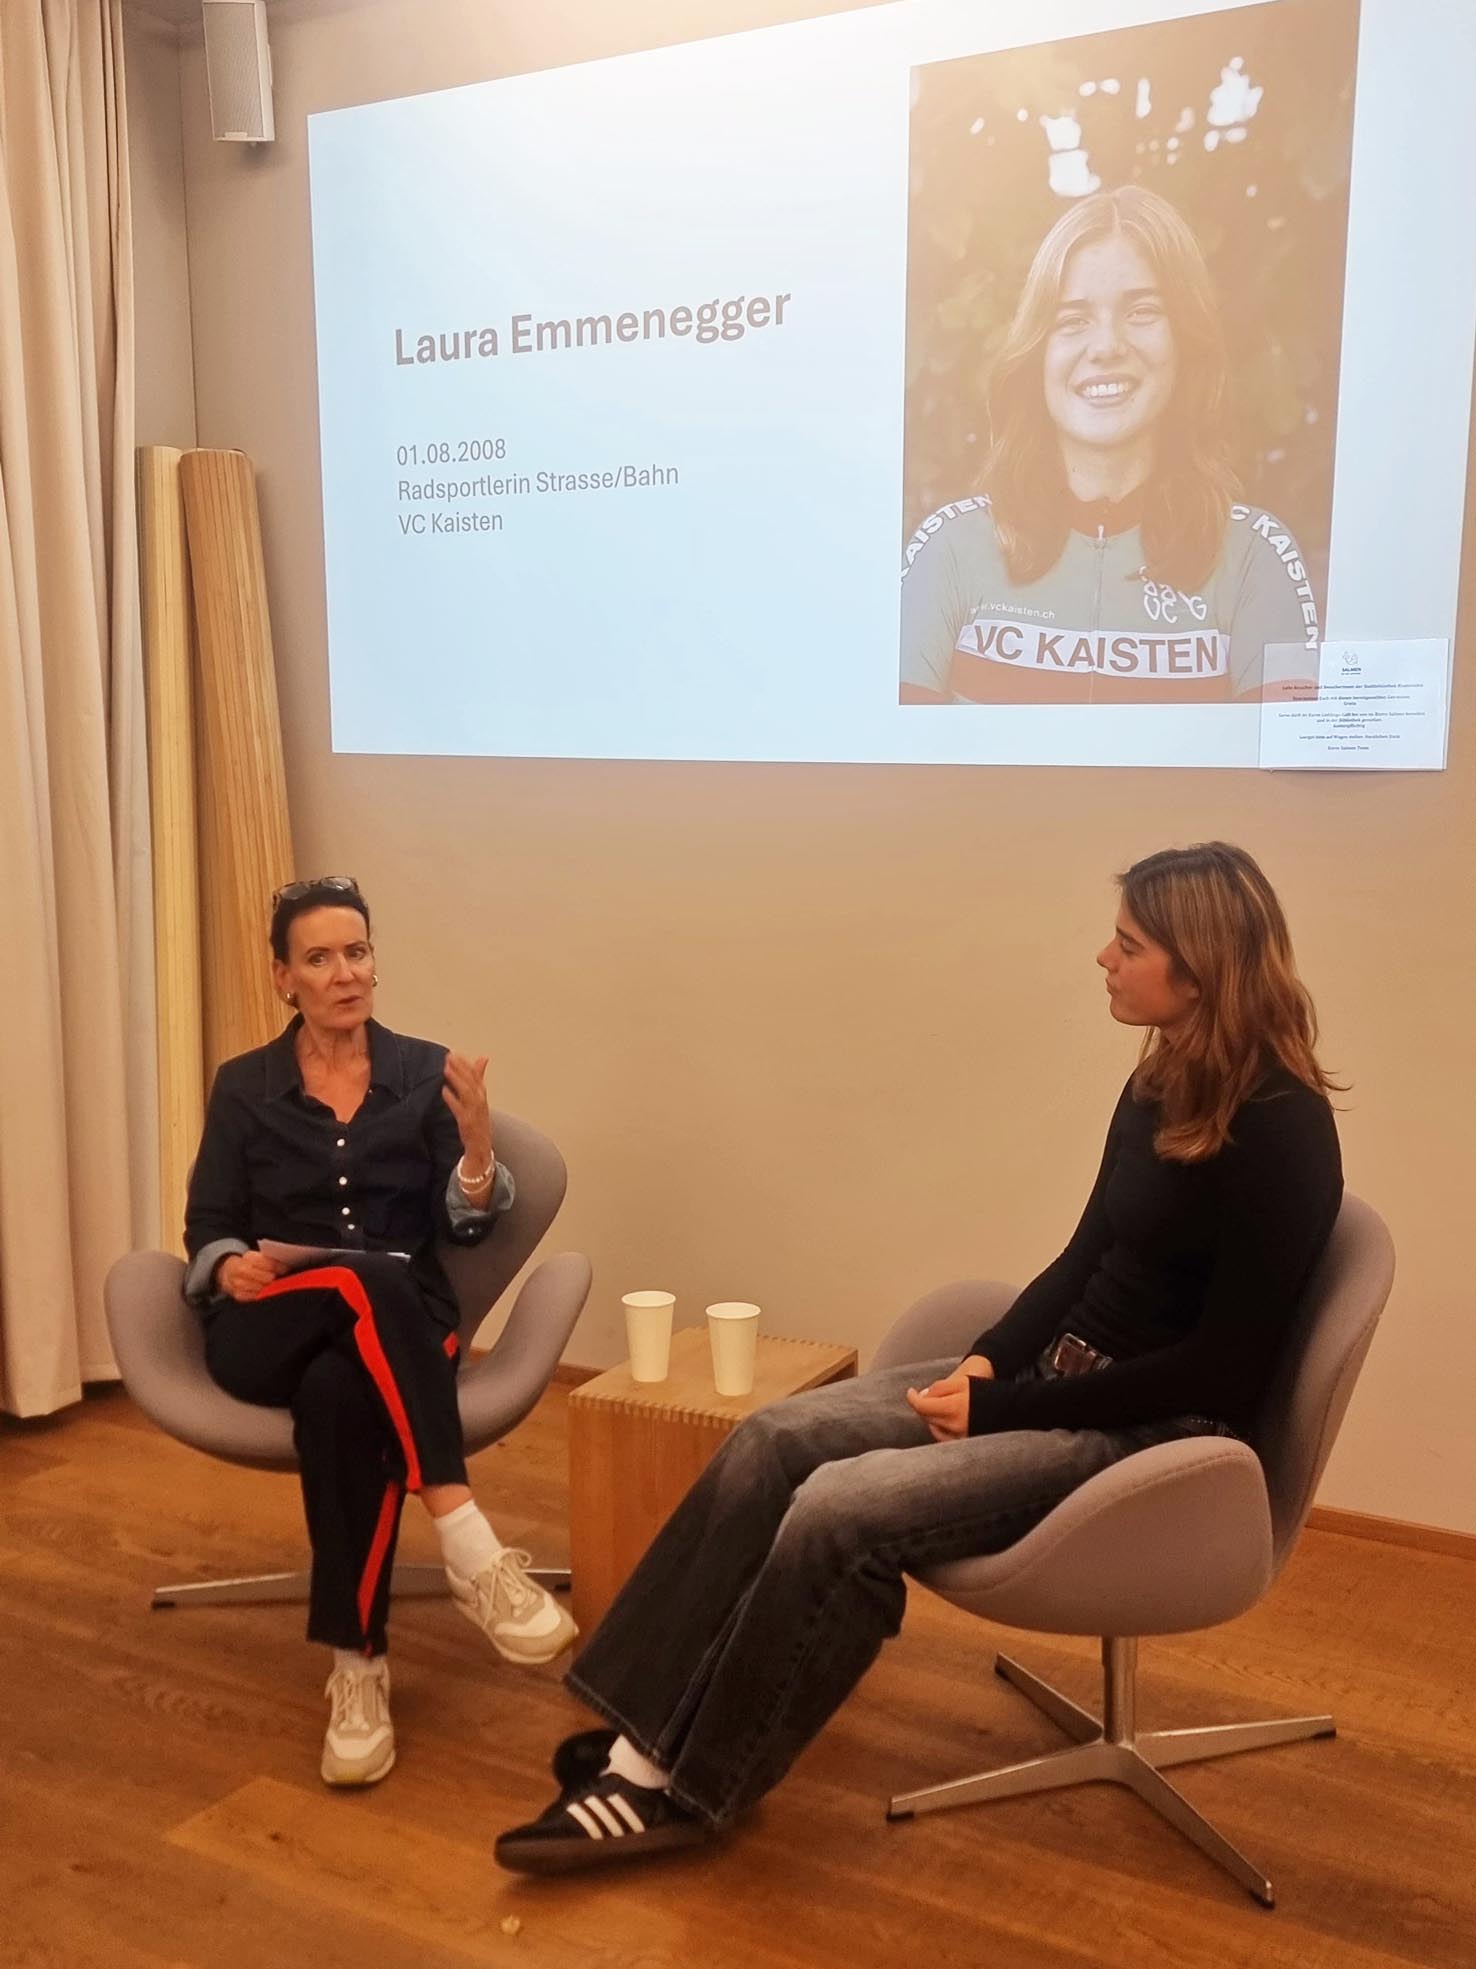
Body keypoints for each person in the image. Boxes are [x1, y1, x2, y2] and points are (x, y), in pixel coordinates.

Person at [495, 841, 1342, 1874]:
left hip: (1152, 1433)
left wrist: (1005, 1412)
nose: (1102, 959)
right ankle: (642, 1732)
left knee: (839, 1510)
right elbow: (1083, 1258)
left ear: (1199, 967)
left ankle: (686, 1783)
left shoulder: (1286, 1132)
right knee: (770, 1439)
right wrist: (990, 1363)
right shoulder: (1163, 1078)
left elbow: (1221, 1371)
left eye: (1128, 945)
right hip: (1055, 1388)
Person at [183, 876, 575, 1789]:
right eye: (319, 957)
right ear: (285, 977)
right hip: (270, 1324)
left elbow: (465, 1227)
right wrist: (230, 1262)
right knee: (353, 1282)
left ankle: (356, 1667)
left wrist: (478, 1153)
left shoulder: (422, 1072)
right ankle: (469, 1540)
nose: (344, 972)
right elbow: (207, 1227)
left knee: (340, 1391)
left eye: (356, 952)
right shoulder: (245, 1087)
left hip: (398, 1330)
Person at [899, 185, 1321, 706]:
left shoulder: (1257, 557)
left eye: (1142, 311)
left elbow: (1293, 779)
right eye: (1072, 321)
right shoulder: (951, 551)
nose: (1106, 347)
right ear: (1036, 352)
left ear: (1186, 339)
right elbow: (892, 783)